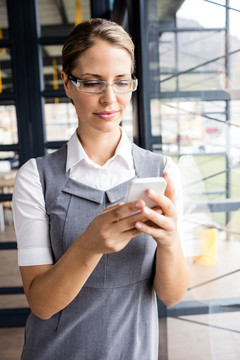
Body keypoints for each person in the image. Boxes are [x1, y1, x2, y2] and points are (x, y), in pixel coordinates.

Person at [13, 18, 190, 360]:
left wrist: (169, 242)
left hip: (134, 351)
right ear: (67, 83)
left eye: (122, 83)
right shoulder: (36, 177)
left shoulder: (163, 171)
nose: (110, 99)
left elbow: (173, 295)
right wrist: (90, 245)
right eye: (93, 83)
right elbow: (42, 304)